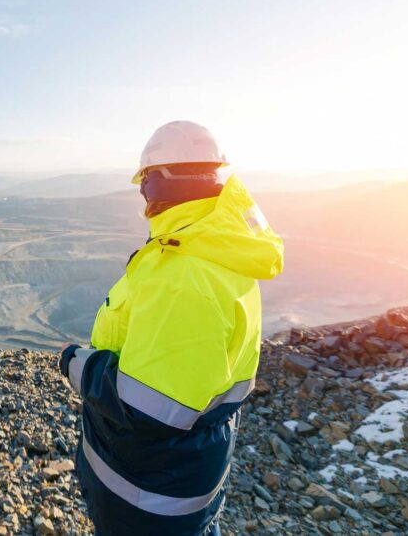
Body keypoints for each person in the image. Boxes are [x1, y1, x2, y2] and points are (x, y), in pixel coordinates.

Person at [58, 120, 284, 535]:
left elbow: (148, 408)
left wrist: (77, 364)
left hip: (149, 498)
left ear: (157, 183)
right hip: (175, 479)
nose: (143, 197)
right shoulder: (212, 249)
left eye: (145, 184)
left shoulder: (185, 275)